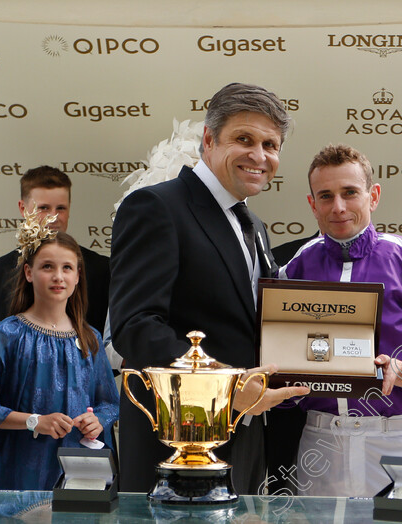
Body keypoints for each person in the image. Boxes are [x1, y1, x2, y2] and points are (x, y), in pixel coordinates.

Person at [110, 82, 309, 494]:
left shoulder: (254, 226)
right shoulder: (156, 206)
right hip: (174, 445)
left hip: (244, 437)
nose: (260, 156)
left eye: (271, 145)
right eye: (244, 139)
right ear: (208, 139)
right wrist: (225, 390)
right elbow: (136, 325)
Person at [279, 143, 402, 497]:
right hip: (320, 444)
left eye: (350, 193)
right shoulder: (294, 270)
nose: (338, 207)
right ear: (312, 204)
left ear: (373, 195)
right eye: (326, 196)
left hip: (397, 440)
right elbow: (279, 368)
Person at [0, 212, 118, 490]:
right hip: (22, 467)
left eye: (67, 268)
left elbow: (109, 403)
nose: (58, 276)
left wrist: (97, 421)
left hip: (79, 472)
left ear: (77, 276)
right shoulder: (8, 334)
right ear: (28, 272)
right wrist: (35, 421)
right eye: (47, 266)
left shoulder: (90, 338)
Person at [0, 166, 110, 335]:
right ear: (23, 208)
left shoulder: (102, 270)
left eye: (61, 208)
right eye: (44, 208)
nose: (54, 217)